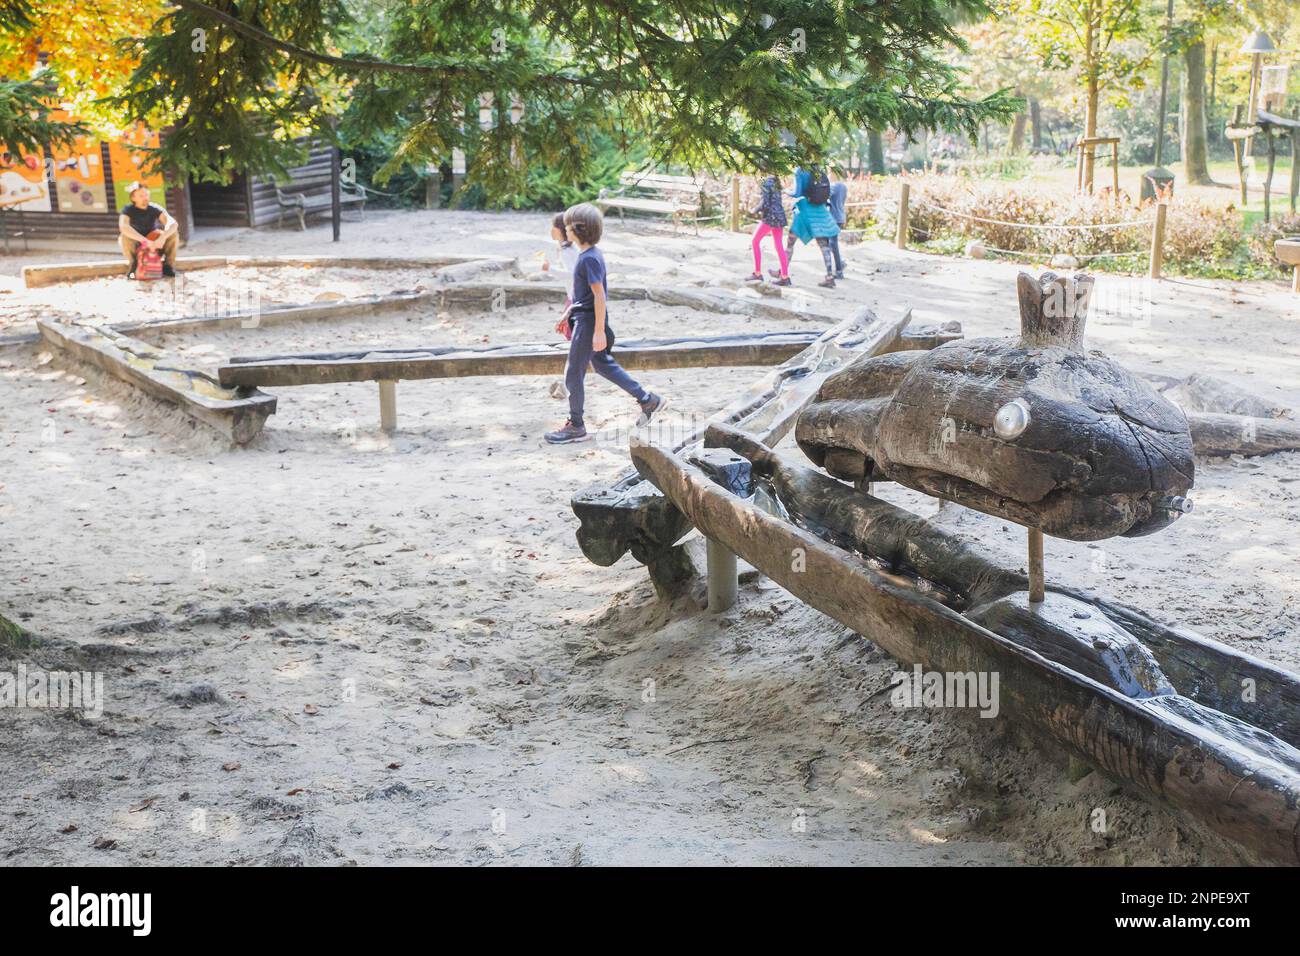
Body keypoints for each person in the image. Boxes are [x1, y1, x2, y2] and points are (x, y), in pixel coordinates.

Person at [545, 204, 666, 445]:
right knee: (602, 364)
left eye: (568, 226)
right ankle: (647, 399)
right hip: (587, 318)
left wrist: (598, 330)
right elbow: (586, 296)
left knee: (573, 374)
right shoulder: (589, 255)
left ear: (579, 230)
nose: (565, 230)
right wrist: (569, 312)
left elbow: (599, 296)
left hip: (589, 324)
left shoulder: (588, 259)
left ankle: (576, 425)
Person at [776, 165, 840, 288]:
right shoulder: (818, 168)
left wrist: (785, 191)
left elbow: (797, 193)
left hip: (804, 210)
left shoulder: (800, 171)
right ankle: (830, 277)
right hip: (820, 210)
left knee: (790, 242)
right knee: (824, 244)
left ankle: (783, 274)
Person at [545, 212, 580, 400]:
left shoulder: (568, 251)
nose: (551, 230)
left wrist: (549, 269)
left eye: (554, 227)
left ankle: (568, 384)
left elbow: (572, 274)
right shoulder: (569, 248)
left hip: (575, 299)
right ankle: (568, 382)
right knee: (572, 340)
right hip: (573, 297)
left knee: (573, 341)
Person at [118, 182, 179, 278]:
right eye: (141, 195)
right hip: (138, 244)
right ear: (133, 198)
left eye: (146, 194)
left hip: (155, 244)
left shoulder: (154, 208)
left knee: (173, 233)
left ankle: (168, 266)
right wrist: (144, 241)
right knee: (124, 236)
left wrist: (162, 238)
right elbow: (123, 226)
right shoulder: (127, 209)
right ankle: (134, 265)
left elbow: (173, 223)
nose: (145, 197)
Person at [745, 171, 791, 286]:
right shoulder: (776, 182)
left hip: (770, 217)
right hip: (780, 216)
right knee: (779, 246)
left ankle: (757, 273)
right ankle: (785, 276)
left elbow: (765, 203)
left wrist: (754, 211)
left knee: (755, 241)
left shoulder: (765, 182)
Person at [826, 172, 848, 280]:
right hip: (840, 216)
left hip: (833, 217)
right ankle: (840, 263)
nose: (828, 174)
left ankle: (839, 270)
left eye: (830, 172)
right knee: (830, 242)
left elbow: (824, 196)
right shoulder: (843, 186)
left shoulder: (834, 186)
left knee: (832, 243)